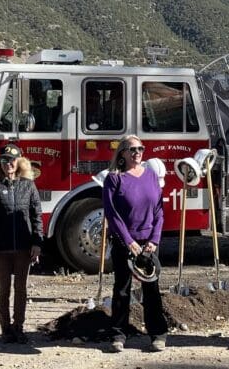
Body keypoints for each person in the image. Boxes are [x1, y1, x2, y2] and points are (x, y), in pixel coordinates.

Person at [102, 134, 168, 353]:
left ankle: (158, 334)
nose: (137, 152)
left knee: (151, 289)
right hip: (125, 242)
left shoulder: (151, 176)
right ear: (122, 153)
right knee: (122, 289)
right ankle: (118, 335)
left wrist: (154, 239)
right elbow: (112, 214)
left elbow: (159, 210)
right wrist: (128, 241)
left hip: (148, 243)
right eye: (132, 149)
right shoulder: (114, 178)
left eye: (140, 148)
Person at [0, 144, 43, 344]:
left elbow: (36, 216)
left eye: (12, 160)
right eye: (5, 160)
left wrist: (37, 243)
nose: (8, 164)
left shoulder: (28, 185)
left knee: (21, 289)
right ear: (0, 163)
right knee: (4, 289)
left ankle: (19, 327)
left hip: (24, 247)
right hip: (1, 249)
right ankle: (6, 329)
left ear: (19, 163)